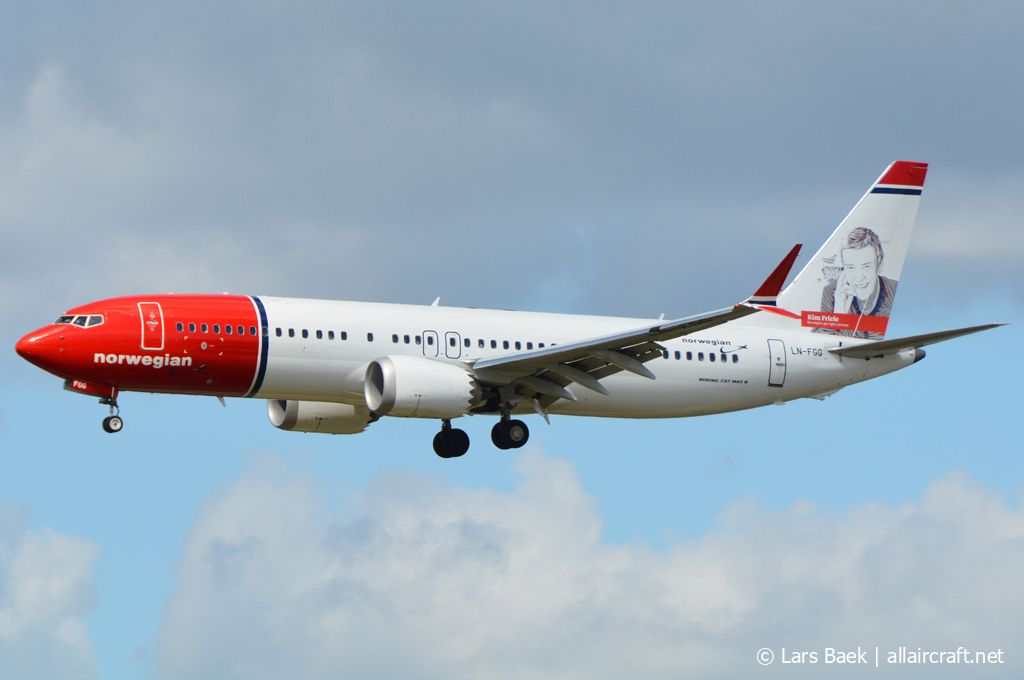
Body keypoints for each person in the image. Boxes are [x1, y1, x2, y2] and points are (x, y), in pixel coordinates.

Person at [820, 227, 897, 337]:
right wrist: (838, 316)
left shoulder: (893, 291)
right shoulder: (832, 293)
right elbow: (819, 342)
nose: (858, 278)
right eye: (850, 267)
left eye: (866, 266)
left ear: (879, 264)